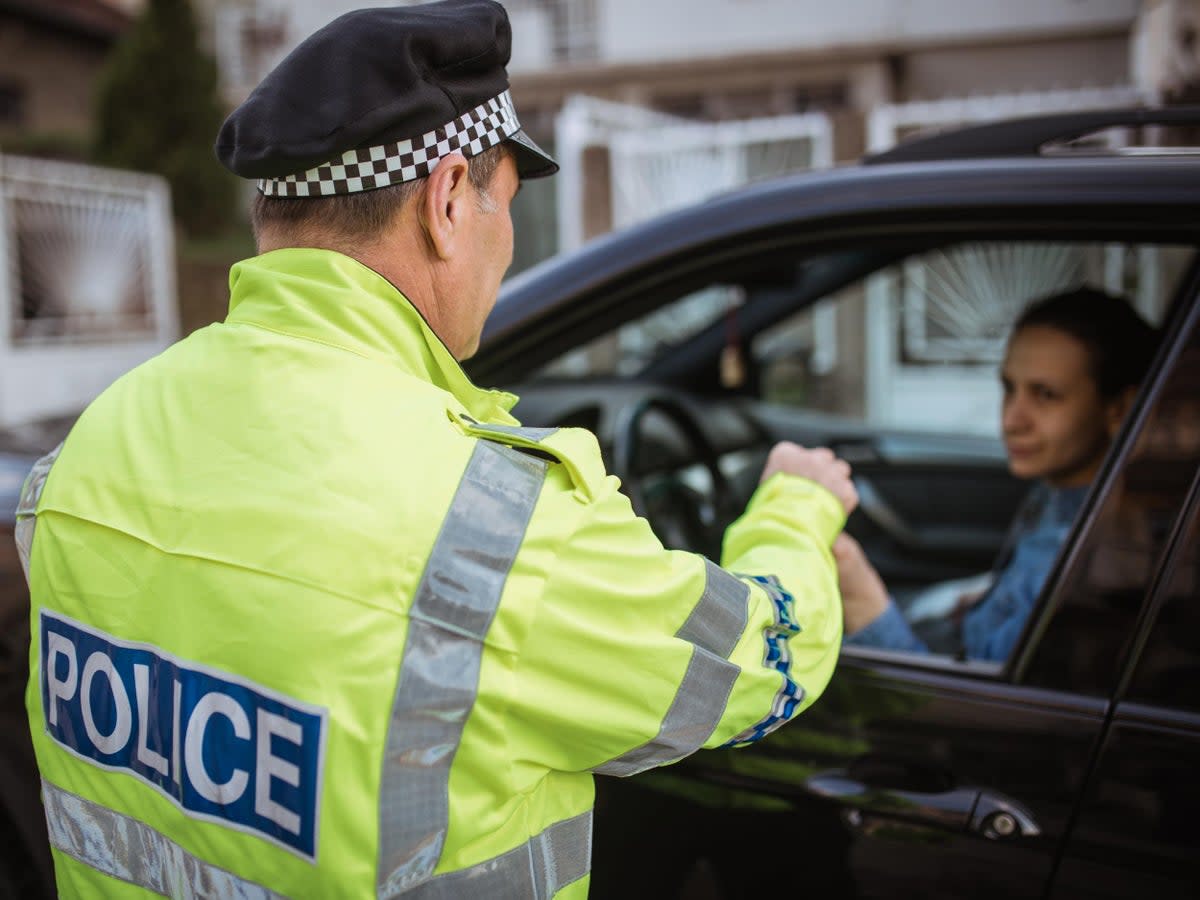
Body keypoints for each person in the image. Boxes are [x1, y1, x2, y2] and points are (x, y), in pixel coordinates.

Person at [14, 3, 857, 897]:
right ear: (449, 199)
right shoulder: (492, 524)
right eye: (509, 208)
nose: (508, 245)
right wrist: (799, 505)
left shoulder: (94, 442)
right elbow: (758, 666)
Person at [838, 287, 1159, 662]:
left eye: (1045, 395)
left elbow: (972, 711)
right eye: (1009, 388)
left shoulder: (1094, 566)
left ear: (1120, 409)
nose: (1010, 420)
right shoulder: (1061, 493)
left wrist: (860, 598)